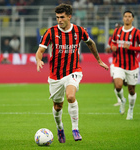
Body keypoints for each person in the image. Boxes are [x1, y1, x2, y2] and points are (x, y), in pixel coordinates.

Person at [35, 3, 108, 143]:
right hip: (55, 75)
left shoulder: (79, 31)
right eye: (57, 17)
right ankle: (60, 128)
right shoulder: (50, 32)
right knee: (58, 106)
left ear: (69, 16)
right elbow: (40, 51)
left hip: (73, 71)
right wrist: (38, 60)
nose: (59, 20)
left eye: (62, 17)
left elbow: (91, 43)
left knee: (70, 96)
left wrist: (98, 60)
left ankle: (75, 129)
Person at [111, 10, 140, 120]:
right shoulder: (117, 31)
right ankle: (122, 100)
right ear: (123, 18)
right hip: (118, 64)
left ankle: (130, 110)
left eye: (129, 16)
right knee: (118, 86)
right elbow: (112, 42)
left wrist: (130, 47)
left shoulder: (137, 32)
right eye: (125, 16)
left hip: (132, 66)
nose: (127, 18)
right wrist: (113, 46)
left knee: (131, 90)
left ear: (132, 19)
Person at [105, 23, 127, 107]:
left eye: (118, 28)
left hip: (126, 63)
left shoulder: (126, 38)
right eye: (115, 28)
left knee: (125, 83)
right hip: (115, 63)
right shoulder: (112, 38)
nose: (116, 29)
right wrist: (110, 48)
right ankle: (120, 100)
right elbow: (107, 50)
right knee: (115, 82)